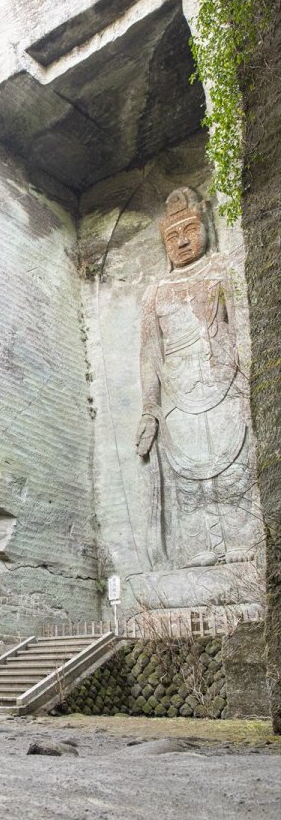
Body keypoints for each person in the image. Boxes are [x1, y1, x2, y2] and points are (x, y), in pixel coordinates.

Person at [135, 187, 253, 570]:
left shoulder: (223, 272)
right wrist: (149, 410)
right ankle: (199, 547)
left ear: (206, 228)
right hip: (178, 394)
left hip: (225, 383)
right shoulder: (155, 292)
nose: (182, 241)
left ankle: (244, 539)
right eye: (172, 235)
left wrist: (253, 383)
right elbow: (150, 353)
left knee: (236, 466)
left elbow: (242, 330)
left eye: (189, 229)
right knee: (188, 478)